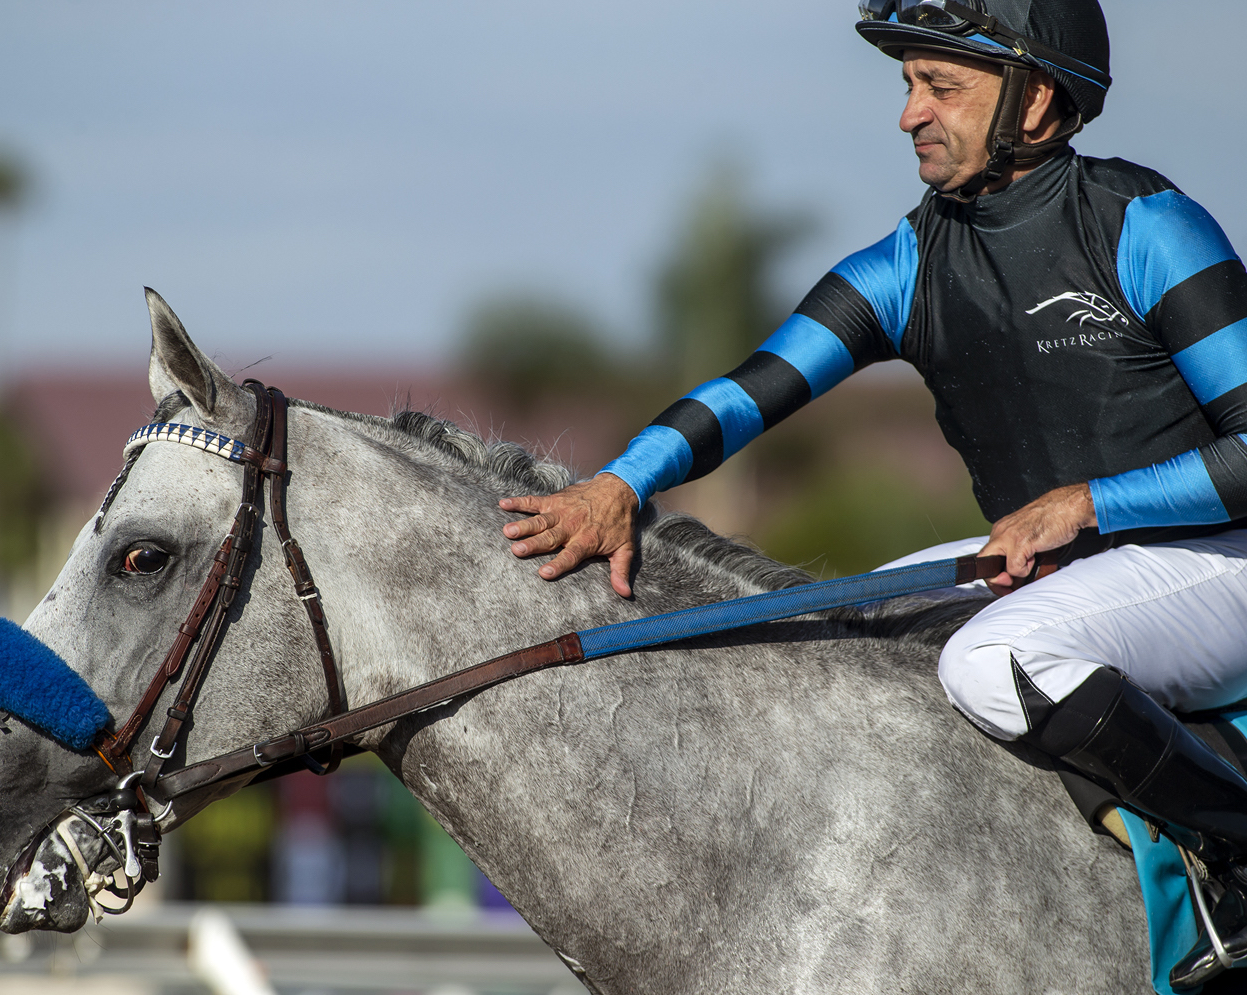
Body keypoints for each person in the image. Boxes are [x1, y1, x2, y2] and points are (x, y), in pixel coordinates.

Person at [498, 1, 1247, 987]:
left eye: (940, 86)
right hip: (1059, 575)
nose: (907, 114)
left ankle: (1229, 858)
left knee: (996, 658)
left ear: (1037, 102)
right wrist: (616, 482)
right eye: (906, 86)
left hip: (1213, 563)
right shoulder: (906, 263)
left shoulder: (1146, 225)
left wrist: (1085, 503)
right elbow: (744, 394)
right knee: (836, 639)